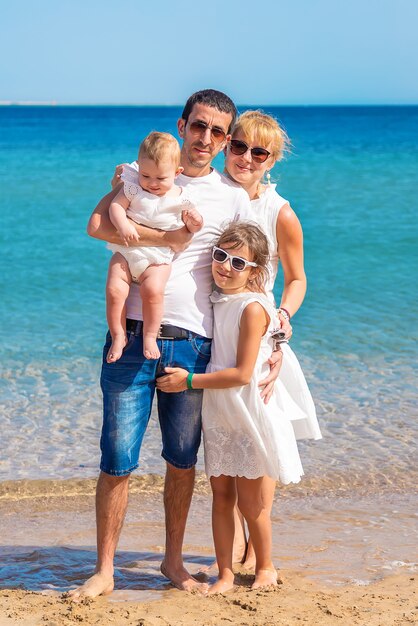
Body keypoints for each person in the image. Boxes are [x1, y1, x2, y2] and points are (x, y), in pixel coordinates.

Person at [68, 89, 283, 600]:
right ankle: (104, 569)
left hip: (194, 343)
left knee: (182, 461)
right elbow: (96, 225)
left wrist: (275, 338)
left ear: (226, 138)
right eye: (199, 126)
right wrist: (162, 238)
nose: (206, 138)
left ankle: (172, 561)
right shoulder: (140, 171)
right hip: (132, 335)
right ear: (183, 124)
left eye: (218, 132)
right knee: (117, 457)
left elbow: (256, 271)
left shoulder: (233, 197)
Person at [156, 221, 304, 594]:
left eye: (239, 263)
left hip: (247, 410)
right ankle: (224, 572)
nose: (225, 266)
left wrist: (187, 381)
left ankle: (265, 567)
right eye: (220, 256)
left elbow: (241, 374)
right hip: (219, 412)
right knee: (221, 496)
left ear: (255, 272)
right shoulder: (219, 300)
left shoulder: (253, 308)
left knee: (252, 503)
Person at [223, 110, 322, 570]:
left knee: (260, 447)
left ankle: (261, 556)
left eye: (257, 152)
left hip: (262, 340)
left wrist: (282, 321)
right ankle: (239, 545)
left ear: (272, 160)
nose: (245, 157)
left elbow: (298, 279)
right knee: (225, 450)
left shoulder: (280, 212)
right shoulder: (208, 191)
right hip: (216, 334)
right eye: (238, 145)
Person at [106, 131, 203, 361]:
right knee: (114, 289)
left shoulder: (182, 197)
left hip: (158, 257)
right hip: (127, 251)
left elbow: (194, 223)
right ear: (138, 168)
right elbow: (115, 207)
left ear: (177, 173)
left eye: (160, 179)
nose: (152, 184)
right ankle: (118, 335)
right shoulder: (133, 189)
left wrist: (195, 222)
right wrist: (122, 224)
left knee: (153, 291)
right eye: (146, 175)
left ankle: (150, 336)